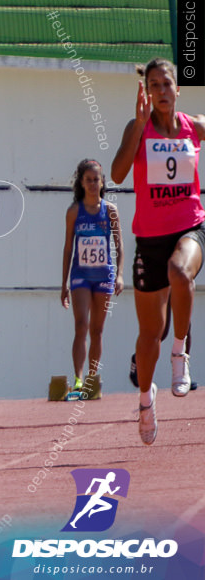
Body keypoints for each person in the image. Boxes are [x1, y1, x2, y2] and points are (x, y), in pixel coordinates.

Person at [111, 58, 205, 444]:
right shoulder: (138, 128)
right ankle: (146, 401)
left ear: (177, 89)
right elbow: (117, 174)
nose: (162, 92)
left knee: (181, 273)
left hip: (190, 225)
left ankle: (180, 353)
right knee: (150, 334)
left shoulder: (194, 126)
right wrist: (137, 127)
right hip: (149, 237)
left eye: (167, 84)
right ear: (146, 92)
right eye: (154, 86)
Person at [60, 158, 123, 395]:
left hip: (104, 275)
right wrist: (64, 283)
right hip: (80, 275)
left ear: (102, 181)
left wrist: (119, 275)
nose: (93, 184)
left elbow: (120, 245)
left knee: (97, 330)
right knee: (81, 325)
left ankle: (91, 379)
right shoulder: (74, 211)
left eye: (96, 180)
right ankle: (77, 379)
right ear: (82, 183)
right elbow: (68, 248)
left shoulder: (111, 211)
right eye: (88, 180)